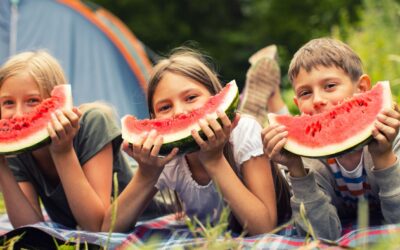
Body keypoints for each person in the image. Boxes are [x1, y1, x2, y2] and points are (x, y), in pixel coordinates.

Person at [101, 48, 291, 235]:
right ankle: (256, 97)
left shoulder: (244, 132)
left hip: (278, 170)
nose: (179, 112)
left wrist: (215, 161)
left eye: (191, 98)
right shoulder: (167, 155)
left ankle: (263, 94)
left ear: (215, 96)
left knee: (256, 123)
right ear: (154, 119)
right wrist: (146, 174)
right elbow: (109, 229)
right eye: (165, 107)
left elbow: (264, 227)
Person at [261, 37, 400, 240]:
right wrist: (297, 170)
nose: (317, 100)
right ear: (297, 103)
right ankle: (262, 96)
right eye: (306, 93)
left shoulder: (392, 136)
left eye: (330, 86)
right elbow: (321, 235)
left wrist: (384, 157)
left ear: (362, 88)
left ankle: (268, 93)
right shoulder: (307, 160)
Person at [0, 50, 134, 231]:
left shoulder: (94, 123)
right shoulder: (14, 145)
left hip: (153, 211)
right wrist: (2, 166)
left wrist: (63, 152)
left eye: (32, 100)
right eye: (8, 103)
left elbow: (95, 227)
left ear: (54, 99)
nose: (18, 115)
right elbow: (30, 229)